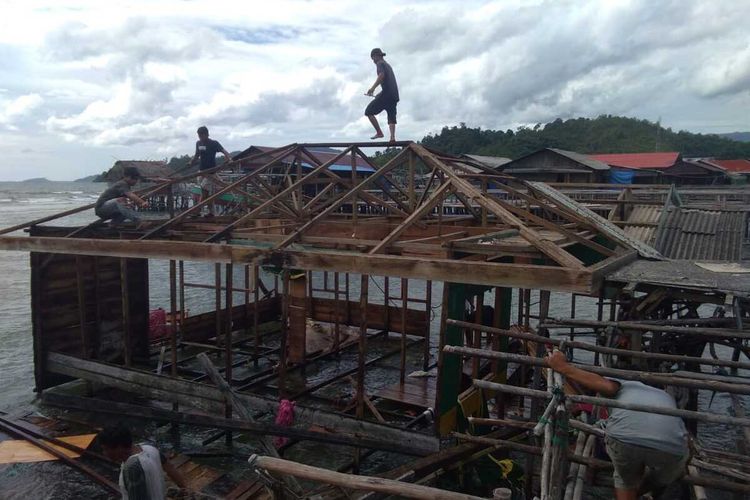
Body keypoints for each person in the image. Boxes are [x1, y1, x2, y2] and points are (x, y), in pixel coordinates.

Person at [546, 351, 689, 500]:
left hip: (624, 437)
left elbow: (607, 386)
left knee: (625, 479)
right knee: (665, 474)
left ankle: (632, 490)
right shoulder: (664, 396)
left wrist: (563, 367)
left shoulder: (626, 384)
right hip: (672, 446)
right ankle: (649, 488)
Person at [99, 423, 188, 499]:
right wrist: (186, 490)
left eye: (106, 449)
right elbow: (170, 468)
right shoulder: (149, 448)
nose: (104, 453)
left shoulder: (133, 467)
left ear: (119, 447)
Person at [190, 126, 232, 214]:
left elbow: (224, 151)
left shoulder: (214, 143)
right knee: (206, 193)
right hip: (201, 171)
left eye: (202, 135)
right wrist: (191, 162)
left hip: (211, 172)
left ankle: (197, 211)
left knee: (204, 192)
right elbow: (196, 155)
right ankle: (211, 213)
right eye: (199, 136)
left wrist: (230, 159)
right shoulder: (198, 143)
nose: (200, 138)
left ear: (207, 134)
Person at [365, 48, 399, 142]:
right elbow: (389, 83)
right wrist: (379, 94)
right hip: (393, 95)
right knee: (391, 115)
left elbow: (381, 75)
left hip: (387, 94)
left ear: (376, 56)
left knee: (368, 112)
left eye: (373, 58)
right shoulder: (388, 65)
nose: (373, 61)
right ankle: (392, 137)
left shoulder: (380, 64)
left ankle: (379, 132)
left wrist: (372, 88)